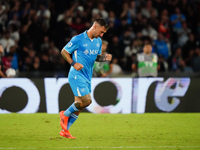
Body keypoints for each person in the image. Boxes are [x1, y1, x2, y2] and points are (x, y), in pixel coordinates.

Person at [59, 18, 111, 139]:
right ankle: (64, 114)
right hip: (77, 75)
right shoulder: (78, 39)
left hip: (88, 76)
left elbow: (96, 57)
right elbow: (64, 52)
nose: (102, 35)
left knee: (80, 105)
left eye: (104, 33)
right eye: (101, 32)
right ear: (95, 26)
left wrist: (104, 58)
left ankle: (65, 130)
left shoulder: (98, 41)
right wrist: (74, 64)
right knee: (87, 101)